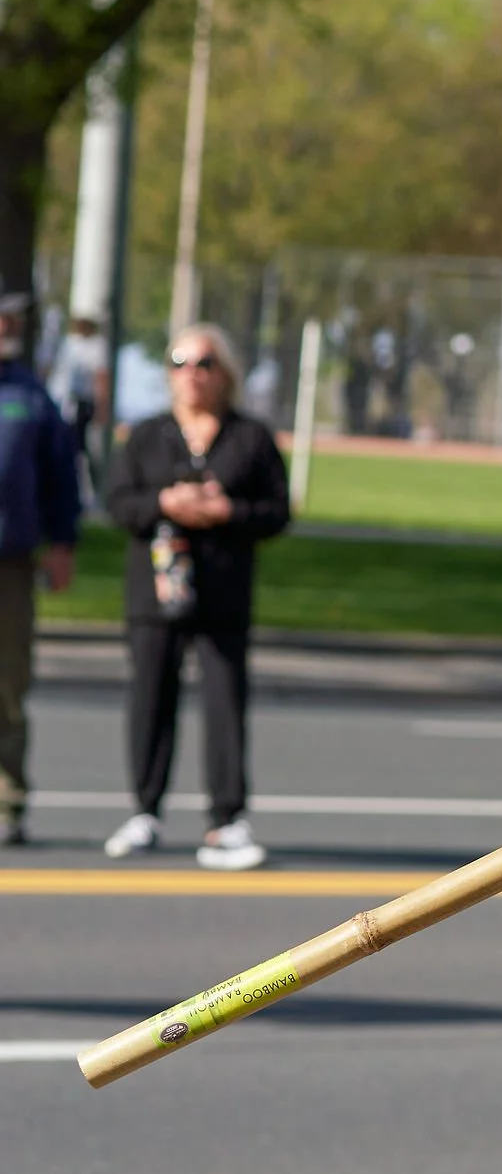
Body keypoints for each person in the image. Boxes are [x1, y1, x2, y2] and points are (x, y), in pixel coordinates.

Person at [102, 325, 289, 871]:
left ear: (225, 372)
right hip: (156, 591)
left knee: (225, 702)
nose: (192, 374)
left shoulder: (249, 437)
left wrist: (227, 511)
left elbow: (277, 511)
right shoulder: (146, 435)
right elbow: (117, 503)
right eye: (180, 362)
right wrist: (166, 501)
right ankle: (145, 810)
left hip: (222, 592)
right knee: (150, 698)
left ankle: (226, 820)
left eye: (204, 363)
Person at [0, 294, 82, 844]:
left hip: (11, 561)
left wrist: (62, 542)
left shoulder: (29, 394)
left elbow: (60, 472)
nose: (8, 326)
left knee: (7, 684)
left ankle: (7, 802)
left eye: (11, 319)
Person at [53, 308, 108, 496]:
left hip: (82, 404)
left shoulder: (97, 345)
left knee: (81, 449)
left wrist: (102, 407)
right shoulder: (66, 343)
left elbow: (101, 376)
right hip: (61, 401)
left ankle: (85, 492)